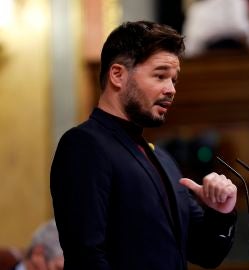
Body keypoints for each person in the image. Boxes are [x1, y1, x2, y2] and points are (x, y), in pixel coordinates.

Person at [50, 21, 238, 270]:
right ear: (118, 75)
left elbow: (205, 254)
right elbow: (87, 256)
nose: (171, 89)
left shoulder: (162, 159)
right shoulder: (85, 145)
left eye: (174, 80)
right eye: (160, 76)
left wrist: (219, 211)